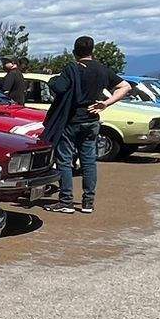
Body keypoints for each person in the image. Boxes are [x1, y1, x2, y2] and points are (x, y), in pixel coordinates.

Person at [42, 36, 131, 215]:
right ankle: (88, 202)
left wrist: (52, 79)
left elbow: (59, 88)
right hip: (91, 120)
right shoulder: (102, 69)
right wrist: (105, 103)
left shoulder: (72, 68)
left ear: (74, 52)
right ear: (92, 51)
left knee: (65, 161)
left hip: (71, 120)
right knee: (89, 161)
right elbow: (125, 87)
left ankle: (66, 201)